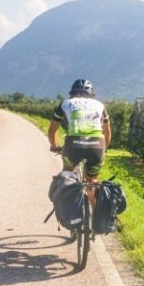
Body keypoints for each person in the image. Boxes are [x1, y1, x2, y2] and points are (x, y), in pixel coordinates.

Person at [48, 79, 111, 207]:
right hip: (97, 146)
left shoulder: (66, 103)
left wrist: (54, 146)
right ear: (91, 93)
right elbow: (108, 132)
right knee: (93, 180)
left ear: (72, 93)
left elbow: (52, 130)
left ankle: (69, 209)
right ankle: (98, 217)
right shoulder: (100, 105)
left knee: (68, 176)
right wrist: (104, 149)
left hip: (73, 146)